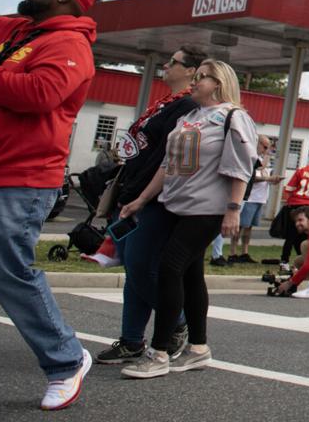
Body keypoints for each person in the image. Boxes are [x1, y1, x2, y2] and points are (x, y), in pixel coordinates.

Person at [0, 0, 97, 410]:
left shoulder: (70, 44)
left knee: (8, 275)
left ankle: (65, 360)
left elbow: (39, 94)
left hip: (16, 180)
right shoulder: (15, 32)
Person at [118, 59, 258, 378]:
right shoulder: (189, 117)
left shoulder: (234, 117)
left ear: (219, 83)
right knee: (191, 276)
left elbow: (241, 166)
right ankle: (198, 348)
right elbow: (167, 166)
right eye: (194, 77)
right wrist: (141, 200)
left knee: (170, 268)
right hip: (177, 206)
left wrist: (233, 209)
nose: (194, 83)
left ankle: (159, 352)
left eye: (201, 78)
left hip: (207, 209)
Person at [94, 46, 205, 366]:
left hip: (153, 198)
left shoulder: (187, 106)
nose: (166, 65)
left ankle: (178, 322)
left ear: (191, 71)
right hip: (131, 191)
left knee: (143, 266)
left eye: (174, 62)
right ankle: (131, 340)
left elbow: (170, 158)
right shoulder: (163, 104)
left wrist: (144, 194)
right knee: (133, 267)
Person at [230, 134, 280, 263]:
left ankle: (244, 252)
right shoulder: (254, 159)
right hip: (250, 198)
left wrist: (273, 180)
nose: (267, 150)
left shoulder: (265, 162)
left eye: (269, 148)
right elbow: (253, 178)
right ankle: (233, 252)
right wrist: (268, 177)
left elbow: (264, 177)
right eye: (265, 147)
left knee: (249, 227)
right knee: (240, 226)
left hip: (260, 199)